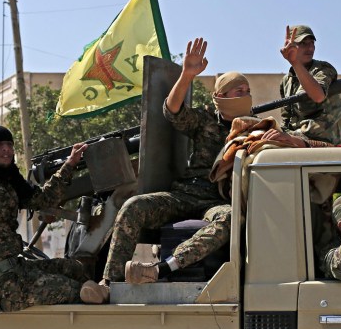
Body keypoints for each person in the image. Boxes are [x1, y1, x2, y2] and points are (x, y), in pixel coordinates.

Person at [101, 38, 254, 290]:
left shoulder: (254, 128)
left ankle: (164, 267)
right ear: (221, 96)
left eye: (248, 91)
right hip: (185, 195)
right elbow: (172, 111)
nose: (245, 95)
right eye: (240, 90)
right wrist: (187, 74)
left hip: (218, 201)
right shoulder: (205, 120)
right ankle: (109, 282)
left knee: (230, 219)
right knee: (133, 206)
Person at [0, 96, 106, 314]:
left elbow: (43, 200)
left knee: (73, 268)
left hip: (17, 269)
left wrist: (70, 165)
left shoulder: (10, 180)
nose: (6, 150)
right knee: (73, 289)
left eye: (9, 145)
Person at [279, 25, 341, 145]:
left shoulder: (323, 69)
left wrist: (295, 63)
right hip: (298, 139)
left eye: (312, 43)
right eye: (304, 43)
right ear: (291, 46)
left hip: (323, 142)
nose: (310, 48)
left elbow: (318, 95)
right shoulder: (286, 81)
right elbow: (287, 118)